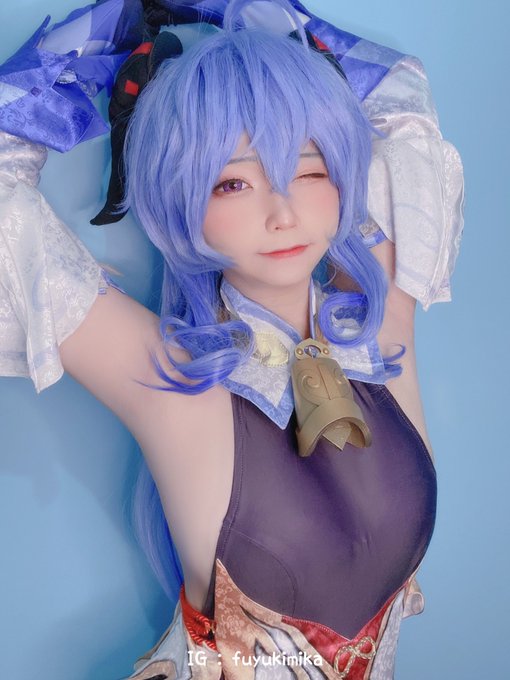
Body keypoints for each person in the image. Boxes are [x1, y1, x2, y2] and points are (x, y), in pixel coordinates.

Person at [0, 0, 464, 677]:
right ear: (177, 197)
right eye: (233, 182)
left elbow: (402, 98)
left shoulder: (377, 329)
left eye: (310, 170)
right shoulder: (170, 381)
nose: (283, 213)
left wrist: (249, 13)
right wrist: (124, 19)